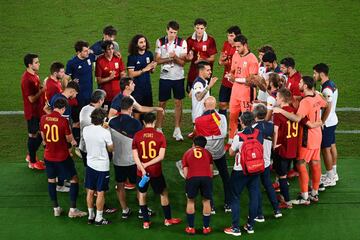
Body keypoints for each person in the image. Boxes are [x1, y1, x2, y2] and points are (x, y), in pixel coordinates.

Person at [273, 76, 330, 204]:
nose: (298, 83)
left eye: (300, 82)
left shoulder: (305, 102)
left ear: (305, 86)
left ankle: (304, 196)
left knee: (301, 163)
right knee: (315, 162)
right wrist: (321, 121)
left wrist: (280, 110)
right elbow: (328, 105)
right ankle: (314, 193)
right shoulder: (317, 96)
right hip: (317, 135)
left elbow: (297, 118)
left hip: (307, 137)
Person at [132, 112, 181, 229]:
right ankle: (168, 220)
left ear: (143, 122)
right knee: (163, 193)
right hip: (155, 172)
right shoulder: (160, 136)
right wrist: (148, 164)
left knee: (142, 195)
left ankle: (146, 222)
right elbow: (161, 156)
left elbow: (135, 156)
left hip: (141, 172)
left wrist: (143, 168)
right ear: (154, 122)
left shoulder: (137, 135)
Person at [40, 98, 87, 218]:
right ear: (63, 109)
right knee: (74, 179)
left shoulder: (43, 118)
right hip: (62, 157)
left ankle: (56, 208)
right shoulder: (63, 121)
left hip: (48, 155)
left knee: (51, 181)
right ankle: (73, 210)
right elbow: (68, 139)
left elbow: (43, 138)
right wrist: (73, 142)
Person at [224, 111, 262, 236]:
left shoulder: (239, 136)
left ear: (242, 122)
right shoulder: (258, 134)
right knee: (254, 196)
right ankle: (250, 225)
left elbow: (230, 152)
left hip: (240, 170)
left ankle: (235, 228)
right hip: (256, 168)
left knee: (235, 197)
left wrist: (236, 138)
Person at [194, 96, 231, 212]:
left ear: (204, 106)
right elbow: (224, 133)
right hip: (219, 152)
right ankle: (228, 204)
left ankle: (211, 206)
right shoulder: (222, 118)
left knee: (207, 179)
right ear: (215, 105)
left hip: (206, 154)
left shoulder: (198, 120)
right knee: (225, 177)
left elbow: (199, 137)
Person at [109, 97, 142, 219]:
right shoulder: (136, 123)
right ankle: (141, 209)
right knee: (139, 185)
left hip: (118, 160)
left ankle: (124, 210)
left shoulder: (112, 121)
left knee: (120, 185)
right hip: (133, 160)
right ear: (130, 108)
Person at [155, 20, 188, 141]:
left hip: (178, 77)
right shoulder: (159, 41)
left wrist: (175, 58)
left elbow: (183, 62)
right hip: (165, 77)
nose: (172, 35)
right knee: (162, 103)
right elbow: (157, 60)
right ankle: (158, 128)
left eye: (174, 32)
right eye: (170, 32)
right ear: (166, 30)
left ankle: (177, 129)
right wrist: (170, 57)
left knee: (178, 103)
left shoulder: (182, 42)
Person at [226, 35, 259, 149]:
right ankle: (231, 141)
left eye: (238, 47)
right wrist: (230, 75)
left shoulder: (252, 59)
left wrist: (235, 79)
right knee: (233, 116)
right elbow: (233, 70)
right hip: (235, 92)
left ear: (245, 45)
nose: (236, 49)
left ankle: (249, 141)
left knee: (247, 118)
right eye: (235, 47)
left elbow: (251, 80)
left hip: (246, 93)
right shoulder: (236, 55)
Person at [83, 108, 113, 225]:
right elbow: (111, 148)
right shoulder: (105, 133)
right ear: (103, 120)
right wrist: (105, 130)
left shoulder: (86, 130)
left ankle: (91, 216)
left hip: (90, 164)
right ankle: (99, 218)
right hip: (102, 166)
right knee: (100, 192)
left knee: (90, 191)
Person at [252, 104, 282, 221]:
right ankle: (277, 210)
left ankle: (259, 215)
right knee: (268, 185)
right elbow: (275, 136)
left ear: (255, 114)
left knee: (256, 187)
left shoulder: (253, 127)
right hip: (266, 161)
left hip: (255, 162)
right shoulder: (271, 126)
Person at [313, 63, 339, 188]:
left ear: (321, 73)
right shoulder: (331, 84)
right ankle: (333, 173)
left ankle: (330, 177)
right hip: (333, 120)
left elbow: (327, 108)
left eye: (315, 73)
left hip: (327, 122)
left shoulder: (326, 89)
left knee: (325, 149)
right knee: (332, 146)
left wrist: (322, 122)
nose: (314, 75)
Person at [272, 88, 299, 209]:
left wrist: (274, 146)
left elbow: (275, 132)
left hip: (282, 148)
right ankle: (283, 196)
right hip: (292, 148)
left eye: (277, 97)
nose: (276, 99)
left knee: (282, 175)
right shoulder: (293, 111)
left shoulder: (278, 113)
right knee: (284, 173)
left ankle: (287, 201)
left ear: (282, 99)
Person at [182, 136, 213, 235]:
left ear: (194, 144)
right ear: (205, 145)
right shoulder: (208, 153)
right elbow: (211, 172)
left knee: (190, 201)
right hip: (206, 178)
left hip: (192, 178)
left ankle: (191, 228)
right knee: (206, 201)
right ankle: (206, 228)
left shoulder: (187, 153)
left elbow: (186, 174)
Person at [21, 53, 46, 170]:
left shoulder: (34, 75)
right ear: (30, 65)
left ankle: (31, 155)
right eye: (36, 62)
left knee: (40, 133)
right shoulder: (27, 80)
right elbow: (31, 99)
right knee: (34, 135)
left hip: (38, 110)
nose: (39, 64)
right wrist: (43, 91)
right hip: (32, 112)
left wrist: (41, 88)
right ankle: (32, 161)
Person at [280, 57, 302, 178]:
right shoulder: (291, 77)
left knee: (294, 142)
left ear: (289, 68)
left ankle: (296, 169)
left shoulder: (296, 80)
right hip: (290, 112)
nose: (281, 69)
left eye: (283, 67)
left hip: (294, 115)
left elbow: (298, 99)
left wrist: (287, 99)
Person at [128, 34, 157, 120]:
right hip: (137, 89)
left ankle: (146, 131)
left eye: (144, 42)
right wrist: (144, 69)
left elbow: (152, 71)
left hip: (147, 88)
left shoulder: (149, 54)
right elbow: (130, 74)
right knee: (137, 112)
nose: (143, 44)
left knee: (148, 112)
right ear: (136, 44)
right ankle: (136, 131)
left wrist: (153, 68)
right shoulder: (132, 57)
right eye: (141, 42)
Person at [186, 18, 217, 92]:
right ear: (194, 28)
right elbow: (186, 59)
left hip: (205, 74)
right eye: (197, 28)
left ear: (205, 28)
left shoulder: (210, 40)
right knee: (192, 94)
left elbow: (212, 58)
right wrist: (188, 58)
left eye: (201, 28)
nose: (199, 30)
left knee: (205, 95)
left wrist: (202, 59)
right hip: (193, 73)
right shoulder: (190, 40)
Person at [188, 61, 218, 137]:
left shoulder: (201, 81)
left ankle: (194, 132)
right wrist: (209, 86)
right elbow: (198, 97)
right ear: (201, 71)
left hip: (200, 116)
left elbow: (190, 95)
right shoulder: (198, 83)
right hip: (200, 117)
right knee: (202, 141)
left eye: (210, 70)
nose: (210, 72)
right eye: (208, 70)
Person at [95, 40, 126, 110]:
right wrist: (109, 78)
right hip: (106, 96)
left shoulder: (118, 58)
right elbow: (99, 81)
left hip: (118, 93)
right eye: (109, 49)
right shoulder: (100, 61)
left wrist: (123, 75)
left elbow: (122, 71)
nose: (111, 51)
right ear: (104, 50)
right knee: (107, 115)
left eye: (112, 48)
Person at [218, 26, 242, 117]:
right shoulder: (226, 44)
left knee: (237, 105)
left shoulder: (241, 48)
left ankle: (239, 126)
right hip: (226, 80)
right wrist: (222, 60)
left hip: (237, 82)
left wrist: (228, 62)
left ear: (238, 36)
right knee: (222, 103)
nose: (229, 38)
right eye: (228, 36)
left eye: (231, 36)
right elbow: (220, 61)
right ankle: (222, 125)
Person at [79, 89, 106, 167]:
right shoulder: (98, 114)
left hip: (83, 146)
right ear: (100, 100)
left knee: (87, 169)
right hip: (93, 149)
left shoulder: (84, 108)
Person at [66, 40, 96, 107]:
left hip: (89, 93)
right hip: (78, 96)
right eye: (85, 51)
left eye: (88, 50)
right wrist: (70, 83)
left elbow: (101, 52)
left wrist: (115, 52)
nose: (88, 52)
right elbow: (65, 79)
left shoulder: (90, 57)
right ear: (79, 52)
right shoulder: (72, 63)